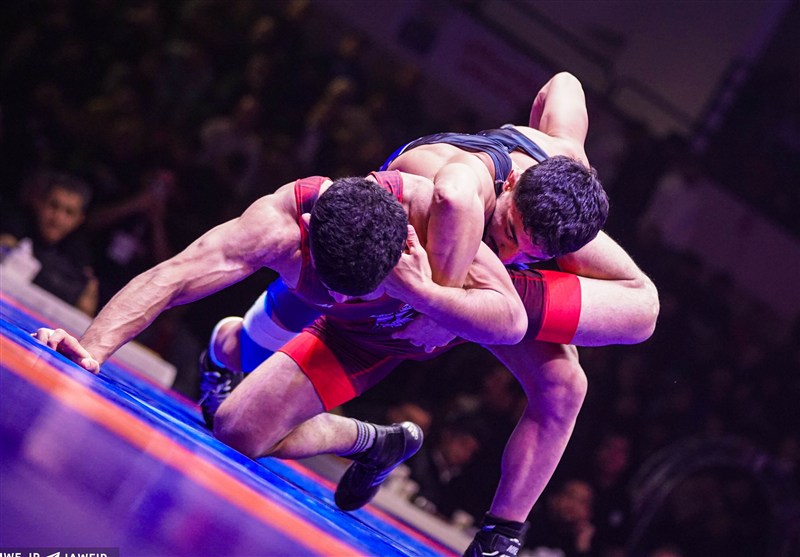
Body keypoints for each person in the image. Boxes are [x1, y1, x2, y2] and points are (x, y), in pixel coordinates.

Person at [201, 72, 658, 556]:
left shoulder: (557, 182)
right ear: (513, 183)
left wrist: (452, 298)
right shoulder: (460, 183)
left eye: (529, 253)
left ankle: (499, 539)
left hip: (463, 301)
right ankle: (372, 441)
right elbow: (461, 186)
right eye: (508, 231)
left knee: (570, 380)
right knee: (239, 406)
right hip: (378, 286)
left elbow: (565, 84)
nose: (509, 252)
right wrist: (431, 294)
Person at [33, 169, 530, 512]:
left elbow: (512, 322)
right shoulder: (280, 225)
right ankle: (377, 441)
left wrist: (424, 294)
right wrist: (93, 348)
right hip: (321, 312)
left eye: (351, 287)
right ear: (309, 231)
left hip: (394, 325)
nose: (341, 295)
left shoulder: (431, 214)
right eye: (336, 284)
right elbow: (176, 275)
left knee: (239, 414)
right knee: (238, 390)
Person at [1, 172, 99, 315]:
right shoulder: (14, 226)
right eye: (54, 206)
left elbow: (84, 310)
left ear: (79, 219)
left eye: (69, 212)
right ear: (40, 203)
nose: (57, 218)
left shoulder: (80, 255)